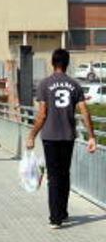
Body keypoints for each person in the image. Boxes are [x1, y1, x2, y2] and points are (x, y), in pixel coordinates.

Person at [27, 48, 97, 229]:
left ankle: (55, 217)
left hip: (50, 136)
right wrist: (92, 137)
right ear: (67, 64)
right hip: (68, 136)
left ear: (52, 63)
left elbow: (42, 114)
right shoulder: (75, 85)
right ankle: (63, 212)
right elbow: (84, 112)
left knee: (53, 176)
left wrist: (32, 134)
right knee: (64, 174)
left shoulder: (44, 84)